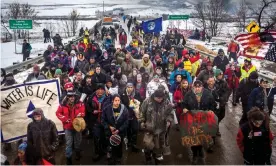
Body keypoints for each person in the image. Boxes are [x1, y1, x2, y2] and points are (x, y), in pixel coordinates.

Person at [181, 80, 216, 164]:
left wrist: (211, 110)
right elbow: (184, 103)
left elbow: (213, 104)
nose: (197, 88)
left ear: (202, 87)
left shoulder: (208, 94)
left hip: (204, 119)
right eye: (195, 87)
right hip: (192, 119)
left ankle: (200, 150)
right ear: (193, 87)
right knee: (193, 137)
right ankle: (195, 154)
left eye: (199, 87)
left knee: (202, 136)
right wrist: (184, 108)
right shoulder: (188, 94)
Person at [140, 89, 174, 165]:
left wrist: (168, 120)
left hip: (161, 128)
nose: (159, 99)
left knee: (158, 146)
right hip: (149, 127)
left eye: (161, 98)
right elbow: (142, 112)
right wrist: (142, 122)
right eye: (157, 98)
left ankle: (156, 160)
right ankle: (148, 157)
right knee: (148, 144)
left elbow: (170, 113)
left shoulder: (167, 102)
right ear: (154, 96)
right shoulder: (147, 101)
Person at [56, 90, 85, 164]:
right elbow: (58, 113)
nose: (72, 98)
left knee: (77, 141)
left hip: (78, 127)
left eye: (73, 96)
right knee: (69, 143)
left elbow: (83, 112)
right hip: (68, 127)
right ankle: (68, 159)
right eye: (70, 96)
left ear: (75, 96)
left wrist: (80, 114)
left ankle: (77, 153)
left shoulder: (80, 103)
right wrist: (65, 119)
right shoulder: (62, 104)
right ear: (67, 97)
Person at [102, 94, 129, 164]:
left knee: (119, 146)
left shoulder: (124, 109)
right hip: (109, 132)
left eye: (118, 100)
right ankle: (110, 159)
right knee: (110, 146)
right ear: (112, 101)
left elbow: (126, 121)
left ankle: (118, 159)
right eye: (115, 100)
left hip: (120, 132)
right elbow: (103, 120)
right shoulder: (107, 109)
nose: (117, 102)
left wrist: (119, 130)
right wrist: (109, 127)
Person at [120, 82, 142, 152]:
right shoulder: (123, 95)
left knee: (135, 129)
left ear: (133, 88)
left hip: (134, 115)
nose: (130, 89)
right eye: (128, 87)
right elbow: (121, 105)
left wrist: (137, 104)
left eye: (131, 87)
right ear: (126, 87)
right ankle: (129, 141)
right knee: (128, 129)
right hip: (126, 116)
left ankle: (134, 143)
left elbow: (140, 102)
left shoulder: (137, 94)